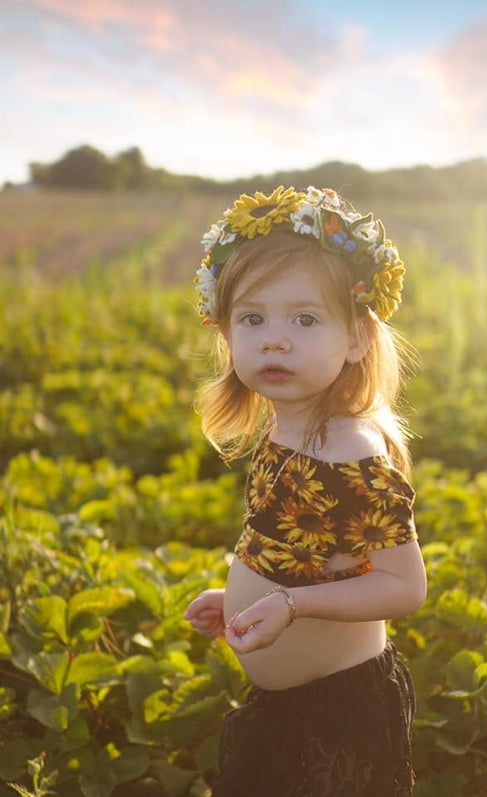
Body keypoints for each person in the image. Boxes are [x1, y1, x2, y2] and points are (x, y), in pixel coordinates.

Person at [184, 185, 427, 796]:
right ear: (227, 331)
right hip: (290, 706)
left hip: (337, 714)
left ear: (356, 339)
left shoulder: (351, 450)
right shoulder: (283, 425)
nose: (273, 338)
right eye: (252, 318)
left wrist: (290, 605)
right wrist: (240, 595)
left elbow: (404, 586)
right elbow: (306, 547)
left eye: (304, 318)